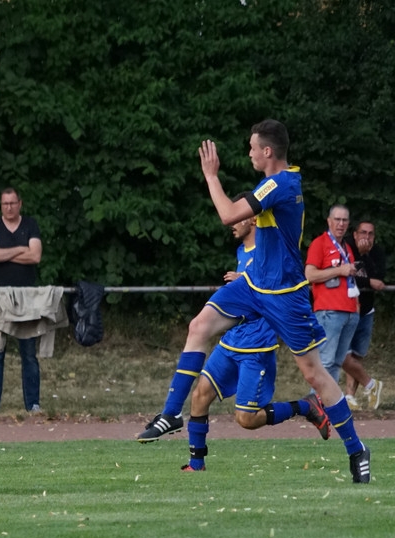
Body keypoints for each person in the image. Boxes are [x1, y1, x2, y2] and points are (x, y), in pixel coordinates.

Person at [136, 119, 371, 484]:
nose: (249, 153)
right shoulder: (274, 183)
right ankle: (171, 414)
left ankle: (357, 449)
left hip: (283, 295)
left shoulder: (281, 183)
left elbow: (228, 215)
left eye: (252, 147)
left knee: (314, 373)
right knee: (198, 326)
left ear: (267, 151)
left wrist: (211, 176)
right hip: (253, 285)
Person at [177, 206, 330, 472]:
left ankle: (305, 406)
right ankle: (196, 464)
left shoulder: (270, 252)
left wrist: (247, 281)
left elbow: (282, 287)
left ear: (252, 219)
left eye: (237, 218)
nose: (231, 223)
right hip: (232, 341)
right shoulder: (242, 251)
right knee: (200, 394)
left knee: (246, 419)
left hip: (257, 346)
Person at [0, 187, 42, 413]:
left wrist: (5, 254)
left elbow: (35, 256)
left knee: (29, 353)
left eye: (12, 203)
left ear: (20, 203)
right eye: (5, 203)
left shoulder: (30, 225)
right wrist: (19, 249)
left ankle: (33, 404)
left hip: (26, 296)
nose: (9, 207)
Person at [304, 205, 359, 383]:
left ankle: (330, 400)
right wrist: (338, 270)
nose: (341, 224)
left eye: (344, 220)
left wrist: (356, 308)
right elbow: (310, 275)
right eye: (337, 219)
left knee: (336, 363)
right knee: (325, 362)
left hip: (349, 311)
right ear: (329, 221)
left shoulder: (347, 247)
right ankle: (317, 399)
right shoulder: (319, 243)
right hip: (329, 310)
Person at [341, 219, 385, 409]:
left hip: (366, 310)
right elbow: (347, 276)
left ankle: (350, 397)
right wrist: (368, 281)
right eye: (363, 232)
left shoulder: (377, 252)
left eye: (370, 233)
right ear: (355, 234)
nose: (367, 237)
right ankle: (371, 384)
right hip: (346, 309)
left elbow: (379, 278)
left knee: (356, 355)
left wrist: (365, 256)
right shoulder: (345, 247)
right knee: (341, 354)